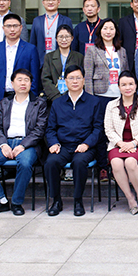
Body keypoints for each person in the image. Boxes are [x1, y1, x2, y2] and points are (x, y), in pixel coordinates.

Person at [0, 68, 47, 216]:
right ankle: (0, 201)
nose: (23, 83)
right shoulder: (5, 103)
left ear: (31, 83)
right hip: (7, 143)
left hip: (28, 144)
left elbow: (39, 130)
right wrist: (3, 145)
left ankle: (16, 202)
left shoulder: (39, 103)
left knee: (25, 163)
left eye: (26, 80)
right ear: (12, 83)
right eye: (19, 80)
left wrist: (23, 145)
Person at [44, 65, 103, 217]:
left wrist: (87, 144)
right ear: (65, 81)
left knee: (79, 162)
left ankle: (78, 201)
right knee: (51, 162)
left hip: (85, 146)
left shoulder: (94, 102)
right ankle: (56, 200)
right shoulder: (58, 103)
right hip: (63, 146)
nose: (75, 81)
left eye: (78, 78)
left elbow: (98, 129)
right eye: (71, 78)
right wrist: (53, 143)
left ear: (83, 80)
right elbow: (50, 129)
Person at [103, 71, 138, 215]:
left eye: (131, 84)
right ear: (118, 87)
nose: (127, 87)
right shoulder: (111, 105)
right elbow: (108, 129)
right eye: (123, 85)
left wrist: (133, 144)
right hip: (117, 145)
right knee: (116, 163)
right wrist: (121, 144)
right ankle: (130, 198)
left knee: (131, 162)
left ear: (136, 86)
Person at [0, 13, 41, 103]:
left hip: (23, 98)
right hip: (0, 97)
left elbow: (35, 77)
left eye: (15, 26)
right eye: (8, 26)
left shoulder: (30, 49)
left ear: (21, 28)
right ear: (3, 28)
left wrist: (31, 100)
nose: (12, 29)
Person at [41, 25, 85, 104]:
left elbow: (82, 78)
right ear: (56, 38)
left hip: (73, 98)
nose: (64, 40)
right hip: (54, 99)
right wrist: (55, 96)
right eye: (60, 37)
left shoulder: (79, 57)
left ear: (72, 38)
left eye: (67, 36)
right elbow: (45, 79)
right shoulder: (49, 57)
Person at [29, 0, 73, 68]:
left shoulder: (66, 20)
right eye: (47, 0)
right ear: (43, 2)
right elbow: (33, 43)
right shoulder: (37, 21)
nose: (50, 2)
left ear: (58, 2)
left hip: (61, 62)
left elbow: (71, 43)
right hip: (41, 63)